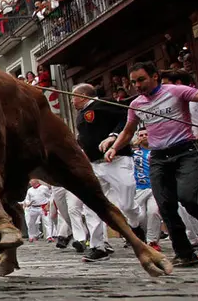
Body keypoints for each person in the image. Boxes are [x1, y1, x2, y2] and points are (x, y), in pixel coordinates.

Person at [106, 61, 198, 266]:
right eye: (133, 82)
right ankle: (184, 253)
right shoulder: (136, 104)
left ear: (155, 76)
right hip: (158, 157)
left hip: (185, 151)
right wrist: (115, 147)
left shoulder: (175, 91)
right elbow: (128, 131)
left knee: (189, 198)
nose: (137, 86)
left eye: (141, 80)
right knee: (165, 205)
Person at [73, 83, 142, 262]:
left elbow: (126, 117)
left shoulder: (102, 104)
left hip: (116, 161)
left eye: (74, 97)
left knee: (127, 205)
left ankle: (135, 225)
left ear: (83, 96)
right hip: (94, 165)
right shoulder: (80, 115)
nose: (72, 101)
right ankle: (98, 246)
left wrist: (113, 135)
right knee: (92, 205)